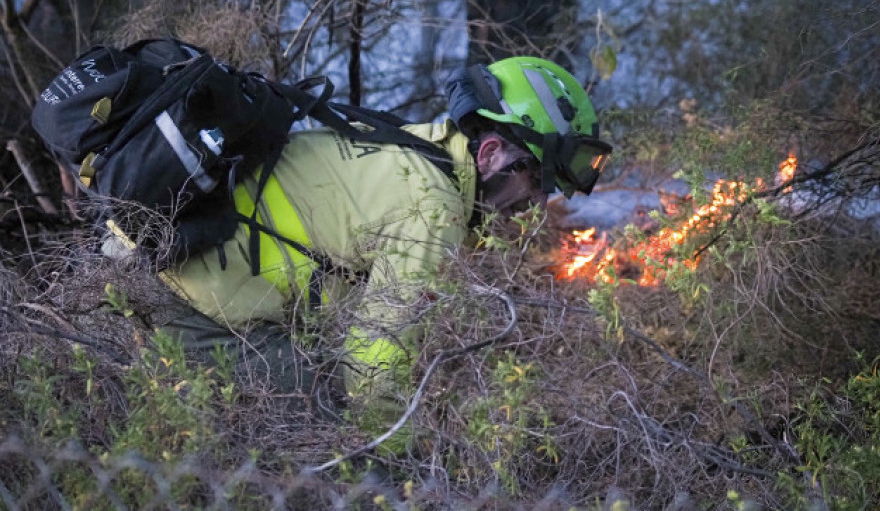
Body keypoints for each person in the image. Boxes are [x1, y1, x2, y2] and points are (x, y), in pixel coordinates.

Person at [145, 55, 612, 447]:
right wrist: (403, 470)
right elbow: (373, 371)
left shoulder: (411, 149)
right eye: (533, 181)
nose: (535, 206)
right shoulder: (435, 206)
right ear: (489, 154)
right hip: (191, 296)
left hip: (173, 267)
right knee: (316, 405)